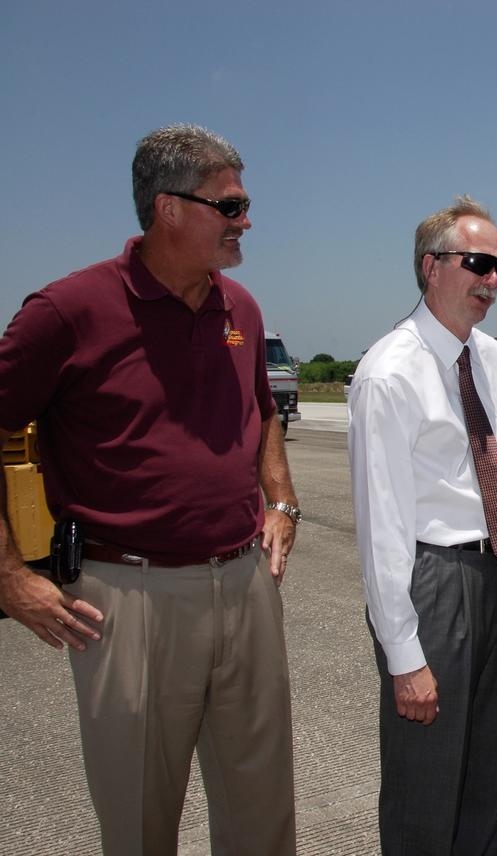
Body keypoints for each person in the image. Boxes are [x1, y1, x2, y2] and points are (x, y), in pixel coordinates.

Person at [0, 124, 299, 855]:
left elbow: (263, 409)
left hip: (244, 582)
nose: (246, 221)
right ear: (169, 208)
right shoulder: (68, 311)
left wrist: (281, 502)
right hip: (125, 597)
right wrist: (7, 575)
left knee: (264, 816)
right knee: (139, 823)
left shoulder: (244, 311)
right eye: (230, 206)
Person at [349, 196, 497, 855]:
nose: (492, 280)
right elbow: (383, 530)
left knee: (490, 772)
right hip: (433, 581)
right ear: (431, 267)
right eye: (478, 263)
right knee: (425, 786)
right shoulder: (388, 374)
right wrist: (405, 656)